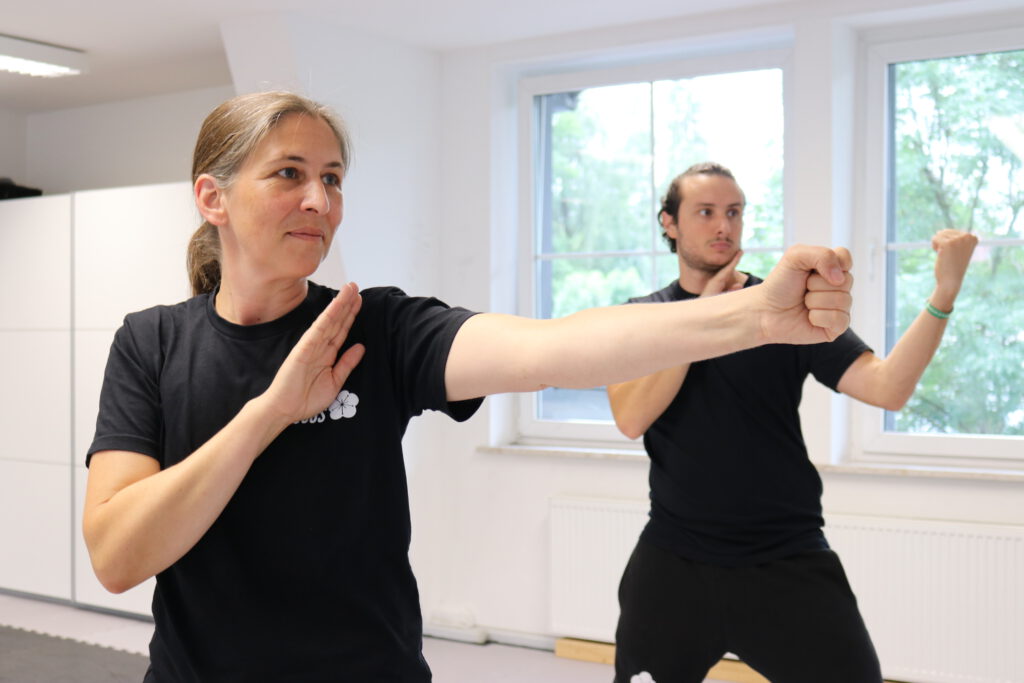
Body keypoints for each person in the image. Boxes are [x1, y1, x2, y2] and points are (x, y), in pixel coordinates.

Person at [82, 94, 855, 683]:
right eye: (289, 174)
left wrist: (752, 313)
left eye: (332, 178)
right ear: (213, 197)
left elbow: (556, 347)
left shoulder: (376, 327)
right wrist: (271, 412)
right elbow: (118, 554)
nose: (319, 201)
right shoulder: (151, 342)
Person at [607, 162, 978, 683]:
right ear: (669, 223)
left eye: (733, 212)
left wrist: (944, 293)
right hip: (675, 559)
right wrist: (708, 311)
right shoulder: (642, 317)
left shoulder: (780, 309)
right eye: (706, 212)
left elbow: (888, 387)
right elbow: (631, 416)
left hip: (786, 558)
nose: (723, 226)